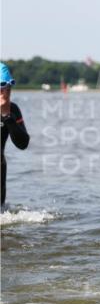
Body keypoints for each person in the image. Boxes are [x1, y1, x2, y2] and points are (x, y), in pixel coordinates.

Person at [0, 63, 30, 210]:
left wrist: (6, 116)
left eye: (8, 89)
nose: (5, 94)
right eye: (1, 89)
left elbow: (23, 144)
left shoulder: (12, 109)